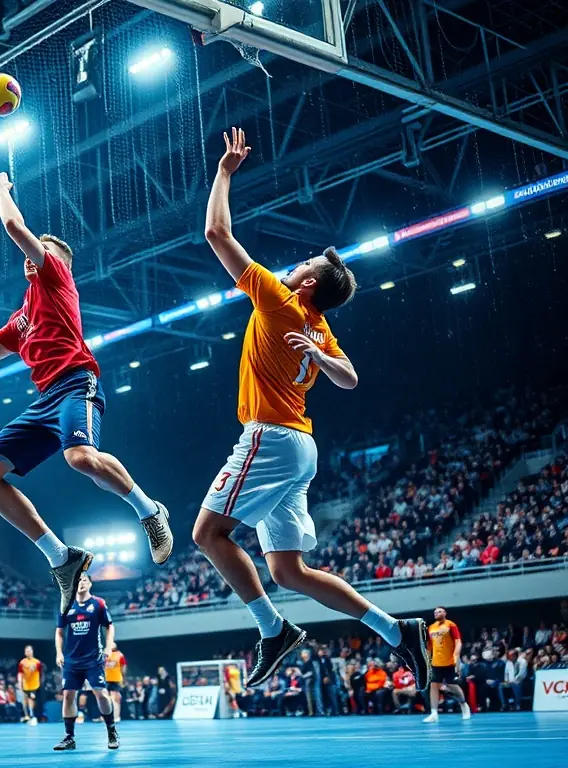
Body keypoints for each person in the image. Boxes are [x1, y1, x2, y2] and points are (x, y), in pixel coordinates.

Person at [192, 127, 430, 690]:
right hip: (300, 447)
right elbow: (350, 380)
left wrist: (225, 171)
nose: (295, 262)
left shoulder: (279, 299)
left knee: (207, 535)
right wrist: (321, 358)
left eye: (303, 263)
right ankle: (399, 632)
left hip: (270, 439)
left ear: (307, 282)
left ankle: (271, 629)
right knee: (287, 569)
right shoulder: (320, 329)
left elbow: (215, 232)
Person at [0, 170, 173, 614]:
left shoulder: (57, 281)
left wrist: (1, 189)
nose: (30, 255)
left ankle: (149, 510)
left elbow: (14, 228)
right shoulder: (23, 316)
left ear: (56, 261)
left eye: (42, 250)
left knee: (79, 458)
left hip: (77, 381)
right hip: (43, 401)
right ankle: (62, 558)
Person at [53, 573, 119, 751]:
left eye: (84, 580)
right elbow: (59, 632)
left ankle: (111, 730)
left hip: (93, 659)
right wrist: (59, 653)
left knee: (102, 694)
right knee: (68, 696)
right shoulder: (66, 604)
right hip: (71, 660)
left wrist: (108, 647)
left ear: (90, 584)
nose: (80, 583)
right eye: (78, 580)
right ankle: (69, 737)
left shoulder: (98, 604)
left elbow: (109, 626)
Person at [424, 606, 471, 722]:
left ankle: (464, 705)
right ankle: (434, 713)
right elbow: (429, 647)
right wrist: (427, 659)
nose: (437, 613)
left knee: (452, 685)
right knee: (433, 686)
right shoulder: (431, 628)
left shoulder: (451, 625)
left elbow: (458, 642)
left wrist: (456, 655)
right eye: (435, 612)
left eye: (439, 611)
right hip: (436, 663)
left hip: (450, 662)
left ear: (445, 613)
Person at [18, 645, 43, 725]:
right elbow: (20, 674)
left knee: (31, 698)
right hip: (26, 684)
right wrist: (19, 683)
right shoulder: (22, 662)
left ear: (32, 651)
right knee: (25, 700)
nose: (29, 652)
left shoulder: (37, 662)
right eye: (27, 651)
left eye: (30, 650)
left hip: (35, 685)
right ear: (25, 653)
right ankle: (27, 716)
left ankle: (32, 715)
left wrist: (33, 669)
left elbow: (40, 673)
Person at [103, 643, 127, 722]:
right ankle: (106, 716)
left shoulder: (120, 655)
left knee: (116, 699)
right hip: (105, 679)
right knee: (105, 698)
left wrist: (123, 679)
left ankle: (116, 717)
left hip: (116, 679)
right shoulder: (105, 654)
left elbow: (123, 668)